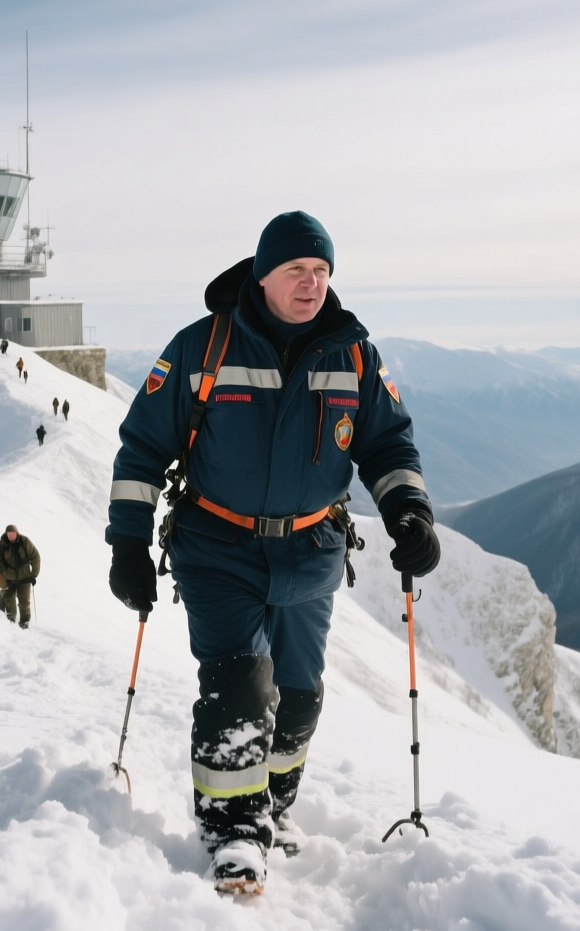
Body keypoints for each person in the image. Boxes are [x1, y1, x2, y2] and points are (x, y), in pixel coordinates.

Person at [105, 211, 440, 895]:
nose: (312, 284)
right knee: (237, 689)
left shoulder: (353, 355)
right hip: (217, 547)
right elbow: (142, 446)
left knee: (296, 701)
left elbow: (388, 445)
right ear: (263, 276)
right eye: (297, 271)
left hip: (312, 550)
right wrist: (128, 543)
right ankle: (232, 832)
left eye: (321, 272)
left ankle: (273, 808)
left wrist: (409, 510)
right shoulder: (203, 347)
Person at [0, 524, 41, 627]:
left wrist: (34, 574)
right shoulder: (2, 545)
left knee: (24, 602)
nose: (11, 536)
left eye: (13, 534)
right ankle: (11, 619)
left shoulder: (25, 542)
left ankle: (24, 622)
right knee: (8, 597)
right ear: (6, 534)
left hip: (24, 577)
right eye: (9, 534)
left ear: (17, 533)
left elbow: (35, 557)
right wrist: (2, 568)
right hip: (8, 578)